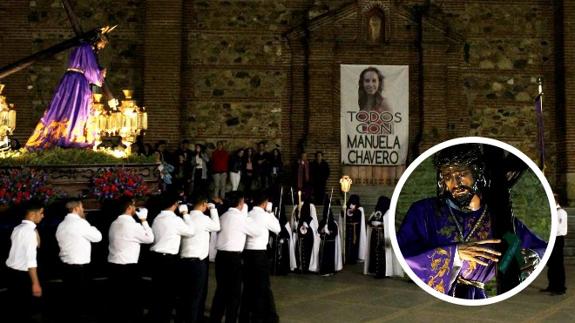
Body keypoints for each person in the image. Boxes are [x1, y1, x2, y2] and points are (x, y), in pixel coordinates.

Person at [397, 144, 547, 299]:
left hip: (478, 296)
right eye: (447, 177)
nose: (455, 183)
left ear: (477, 174)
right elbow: (403, 253)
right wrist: (455, 254)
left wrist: (534, 256)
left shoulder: (500, 219)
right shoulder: (424, 212)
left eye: (461, 174)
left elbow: (538, 248)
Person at [26, 27, 117, 149]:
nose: (102, 47)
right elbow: (91, 71)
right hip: (78, 82)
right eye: (103, 43)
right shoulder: (86, 48)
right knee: (76, 107)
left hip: (70, 80)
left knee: (67, 106)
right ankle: (70, 136)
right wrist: (101, 74)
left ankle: (67, 134)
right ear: (97, 40)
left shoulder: (81, 47)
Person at [210, 191, 263, 323]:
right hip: (233, 258)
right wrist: (247, 216)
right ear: (240, 203)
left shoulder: (223, 216)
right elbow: (257, 232)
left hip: (220, 257)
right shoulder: (241, 219)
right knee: (234, 294)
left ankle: (215, 319)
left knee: (221, 291)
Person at [149, 193, 195, 323]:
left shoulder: (157, 218)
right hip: (168, 260)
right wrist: (186, 214)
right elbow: (191, 231)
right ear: (175, 204)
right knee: (168, 296)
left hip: (156, 258)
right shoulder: (175, 220)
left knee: (157, 293)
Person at [107, 197, 154, 323]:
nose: (135, 208)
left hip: (113, 265)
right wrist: (144, 220)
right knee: (131, 301)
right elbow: (150, 238)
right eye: (134, 206)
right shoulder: (133, 225)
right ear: (129, 207)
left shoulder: (114, 223)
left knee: (117, 300)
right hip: (128, 267)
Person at [56, 199, 102, 322]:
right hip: (78, 267)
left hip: (65, 266)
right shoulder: (81, 223)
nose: (83, 210)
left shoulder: (61, 224)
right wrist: (89, 224)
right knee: (80, 299)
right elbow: (98, 237)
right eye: (82, 207)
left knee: (70, 297)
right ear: (76, 208)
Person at [178, 195, 220, 323]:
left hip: (183, 260)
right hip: (198, 263)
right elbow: (217, 226)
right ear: (204, 204)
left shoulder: (186, 217)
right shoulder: (205, 219)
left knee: (183, 297)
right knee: (195, 298)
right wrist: (213, 209)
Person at [240, 192, 280, 323]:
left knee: (248, 286)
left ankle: (246, 315)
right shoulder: (264, 215)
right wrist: (270, 212)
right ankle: (262, 316)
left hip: (247, 254)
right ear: (265, 203)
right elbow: (277, 228)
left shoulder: (249, 214)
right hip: (259, 254)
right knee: (262, 286)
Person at [5, 201, 44, 323]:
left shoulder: (18, 228)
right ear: (33, 214)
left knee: (16, 310)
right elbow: (31, 260)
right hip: (22, 276)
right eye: (41, 213)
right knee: (25, 313)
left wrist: (34, 230)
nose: (43, 216)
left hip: (12, 273)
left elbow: (38, 245)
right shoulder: (29, 232)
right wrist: (35, 283)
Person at [542, 193, 567, 295]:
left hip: (557, 239)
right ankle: (552, 285)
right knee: (551, 264)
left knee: (558, 264)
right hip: (550, 239)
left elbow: (560, 229)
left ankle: (560, 288)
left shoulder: (561, 212)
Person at [289, 194, 321, 273]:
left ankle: (305, 267)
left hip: (307, 231)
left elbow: (313, 219)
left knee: (306, 248)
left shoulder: (310, 206)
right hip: (300, 232)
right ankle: (300, 266)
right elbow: (293, 219)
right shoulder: (297, 206)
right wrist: (295, 225)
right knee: (299, 248)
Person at [317, 195, 342, 276]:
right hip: (324, 242)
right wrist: (322, 230)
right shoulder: (322, 222)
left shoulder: (333, 223)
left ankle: (330, 270)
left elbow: (335, 233)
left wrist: (329, 232)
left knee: (330, 257)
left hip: (331, 243)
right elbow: (318, 230)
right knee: (323, 257)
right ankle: (323, 270)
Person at [342, 195, 367, 264]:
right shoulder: (346, 207)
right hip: (347, 228)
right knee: (347, 243)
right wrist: (343, 210)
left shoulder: (360, 209)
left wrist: (355, 211)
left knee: (354, 243)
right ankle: (346, 258)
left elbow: (359, 219)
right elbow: (343, 217)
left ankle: (353, 258)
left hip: (355, 229)